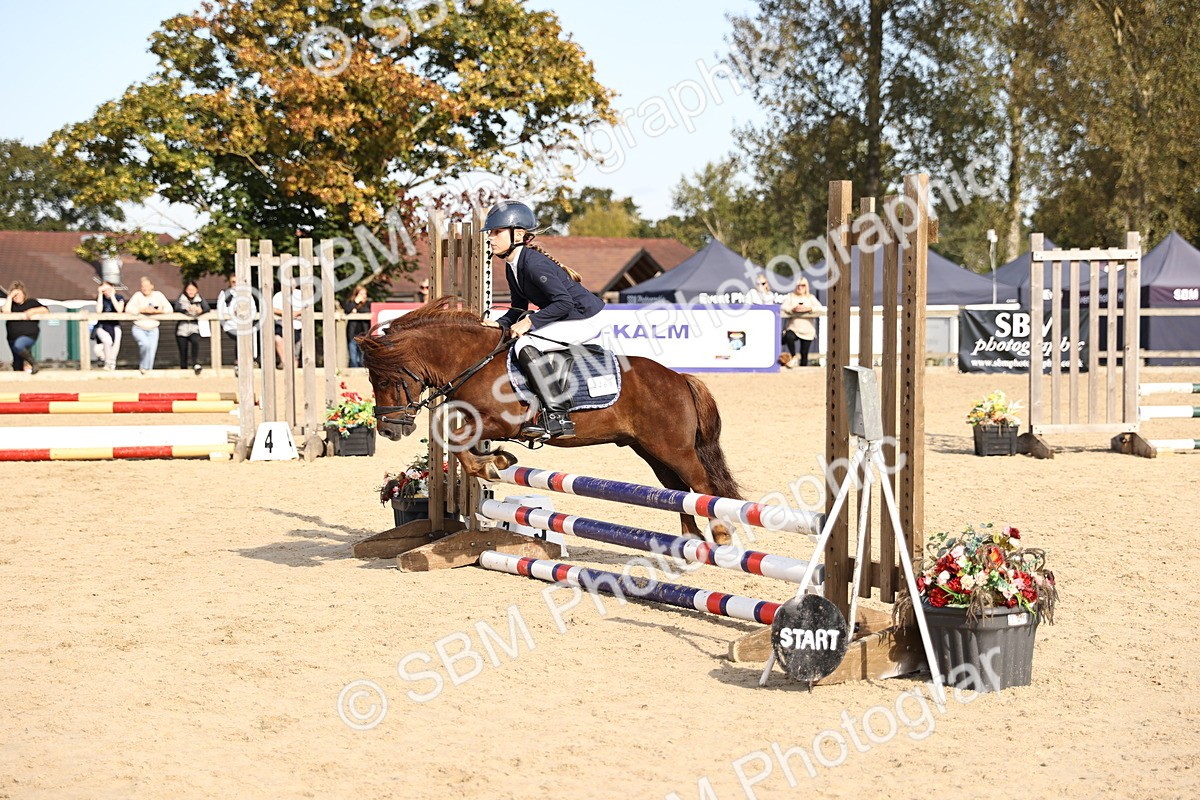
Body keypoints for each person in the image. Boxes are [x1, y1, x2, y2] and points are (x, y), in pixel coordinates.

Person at [480, 200, 605, 440]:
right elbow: (519, 308)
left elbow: (565, 303)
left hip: (585, 318)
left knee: (526, 344)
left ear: (518, 234)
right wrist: (500, 324)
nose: (491, 238)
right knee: (515, 340)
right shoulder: (513, 265)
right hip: (568, 317)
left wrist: (531, 322)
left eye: (496, 232)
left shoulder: (534, 264)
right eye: (491, 233)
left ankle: (558, 416)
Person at [124, 277, 173, 373]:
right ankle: (144, 368)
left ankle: (148, 372)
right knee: (145, 344)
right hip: (139, 327)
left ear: (152, 286)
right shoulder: (137, 295)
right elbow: (128, 309)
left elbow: (169, 309)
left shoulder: (158, 295)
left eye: (147, 286)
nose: (145, 288)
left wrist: (158, 311)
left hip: (153, 328)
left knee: (151, 352)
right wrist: (142, 310)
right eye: (143, 286)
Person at [3, 281, 48, 373]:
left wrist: (32, 311)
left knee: (19, 345)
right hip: (12, 337)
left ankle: (34, 363)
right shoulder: (11, 305)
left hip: (28, 335)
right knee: (17, 363)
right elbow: (6, 312)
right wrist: (10, 297)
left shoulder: (31, 302)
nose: (16, 297)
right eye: (14, 295)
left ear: (23, 293)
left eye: (18, 294)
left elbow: (45, 310)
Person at [216, 274, 259, 367]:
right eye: (233, 282)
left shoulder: (247, 294)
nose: (235, 284)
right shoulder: (225, 293)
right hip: (230, 325)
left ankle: (251, 360)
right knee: (240, 337)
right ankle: (239, 362)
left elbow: (253, 309)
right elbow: (220, 310)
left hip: (245, 324)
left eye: (237, 282)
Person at [780, 277, 824, 368]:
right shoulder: (791, 296)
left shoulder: (810, 298)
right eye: (798, 285)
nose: (800, 287)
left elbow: (820, 308)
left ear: (806, 287)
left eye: (803, 285)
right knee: (789, 336)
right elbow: (783, 307)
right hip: (794, 327)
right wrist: (793, 309)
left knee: (804, 353)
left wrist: (809, 308)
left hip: (807, 330)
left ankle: (803, 374)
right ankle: (793, 356)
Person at [175, 281, 210, 374]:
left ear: (196, 290)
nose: (191, 292)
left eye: (193, 290)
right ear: (185, 290)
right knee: (183, 350)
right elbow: (176, 307)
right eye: (189, 290)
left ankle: (195, 363)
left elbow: (207, 308)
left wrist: (200, 310)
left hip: (194, 327)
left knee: (195, 342)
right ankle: (183, 369)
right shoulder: (181, 298)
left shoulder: (200, 298)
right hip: (182, 328)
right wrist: (186, 309)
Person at [94, 281, 125, 371]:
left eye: (108, 289)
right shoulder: (100, 299)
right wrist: (100, 294)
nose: (106, 292)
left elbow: (119, 310)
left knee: (115, 345)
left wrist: (112, 296)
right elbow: (99, 311)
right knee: (105, 342)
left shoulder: (119, 298)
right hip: (102, 326)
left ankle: (111, 364)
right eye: (104, 290)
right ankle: (107, 362)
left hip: (114, 325)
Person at [272, 285, 304, 368]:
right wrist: (285, 312)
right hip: (282, 325)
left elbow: (307, 307)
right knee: (277, 339)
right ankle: (285, 362)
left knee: (295, 353)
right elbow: (272, 308)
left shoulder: (300, 294)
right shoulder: (279, 295)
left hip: (297, 326)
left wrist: (296, 313)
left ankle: (294, 372)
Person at [343, 286, 371, 368]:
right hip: (352, 335)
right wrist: (355, 302)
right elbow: (347, 310)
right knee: (353, 359)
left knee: (363, 359)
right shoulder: (351, 303)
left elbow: (368, 311)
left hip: (364, 335)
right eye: (361, 294)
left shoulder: (368, 304)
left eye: (365, 294)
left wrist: (356, 310)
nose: (364, 296)